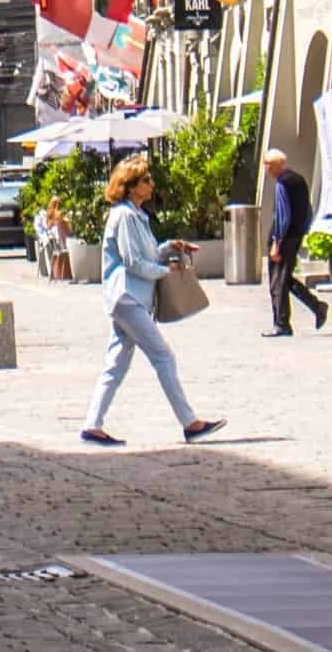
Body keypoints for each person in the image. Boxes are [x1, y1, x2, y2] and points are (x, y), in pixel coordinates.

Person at [80, 156, 220, 446]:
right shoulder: (125, 216)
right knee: (163, 356)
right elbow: (133, 262)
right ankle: (190, 423)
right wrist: (166, 272)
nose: (151, 184)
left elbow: (147, 254)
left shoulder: (136, 216)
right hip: (128, 296)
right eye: (146, 180)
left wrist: (171, 247)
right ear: (130, 186)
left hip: (130, 298)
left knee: (116, 363)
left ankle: (92, 425)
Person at [262, 148, 330, 338]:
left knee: (278, 282)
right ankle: (317, 306)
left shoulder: (282, 184)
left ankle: (282, 324)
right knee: (285, 280)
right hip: (296, 235)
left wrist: (277, 241)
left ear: (274, 166)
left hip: (285, 238)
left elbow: (282, 216)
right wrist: (302, 231)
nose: (266, 169)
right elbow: (308, 210)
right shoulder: (299, 180)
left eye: (266, 165)